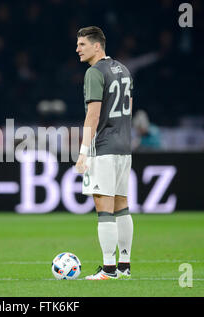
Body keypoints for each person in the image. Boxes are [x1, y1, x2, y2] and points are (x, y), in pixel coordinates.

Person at [75, 26, 134, 280]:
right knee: (122, 205)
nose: (77, 49)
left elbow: (94, 114)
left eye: (82, 44)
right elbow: (128, 107)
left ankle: (108, 269)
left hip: (105, 147)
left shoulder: (94, 72)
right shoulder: (123, 69)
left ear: (97, 46)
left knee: (104, 206)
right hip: (124, 146)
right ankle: (124, 265)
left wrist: (83, 151)